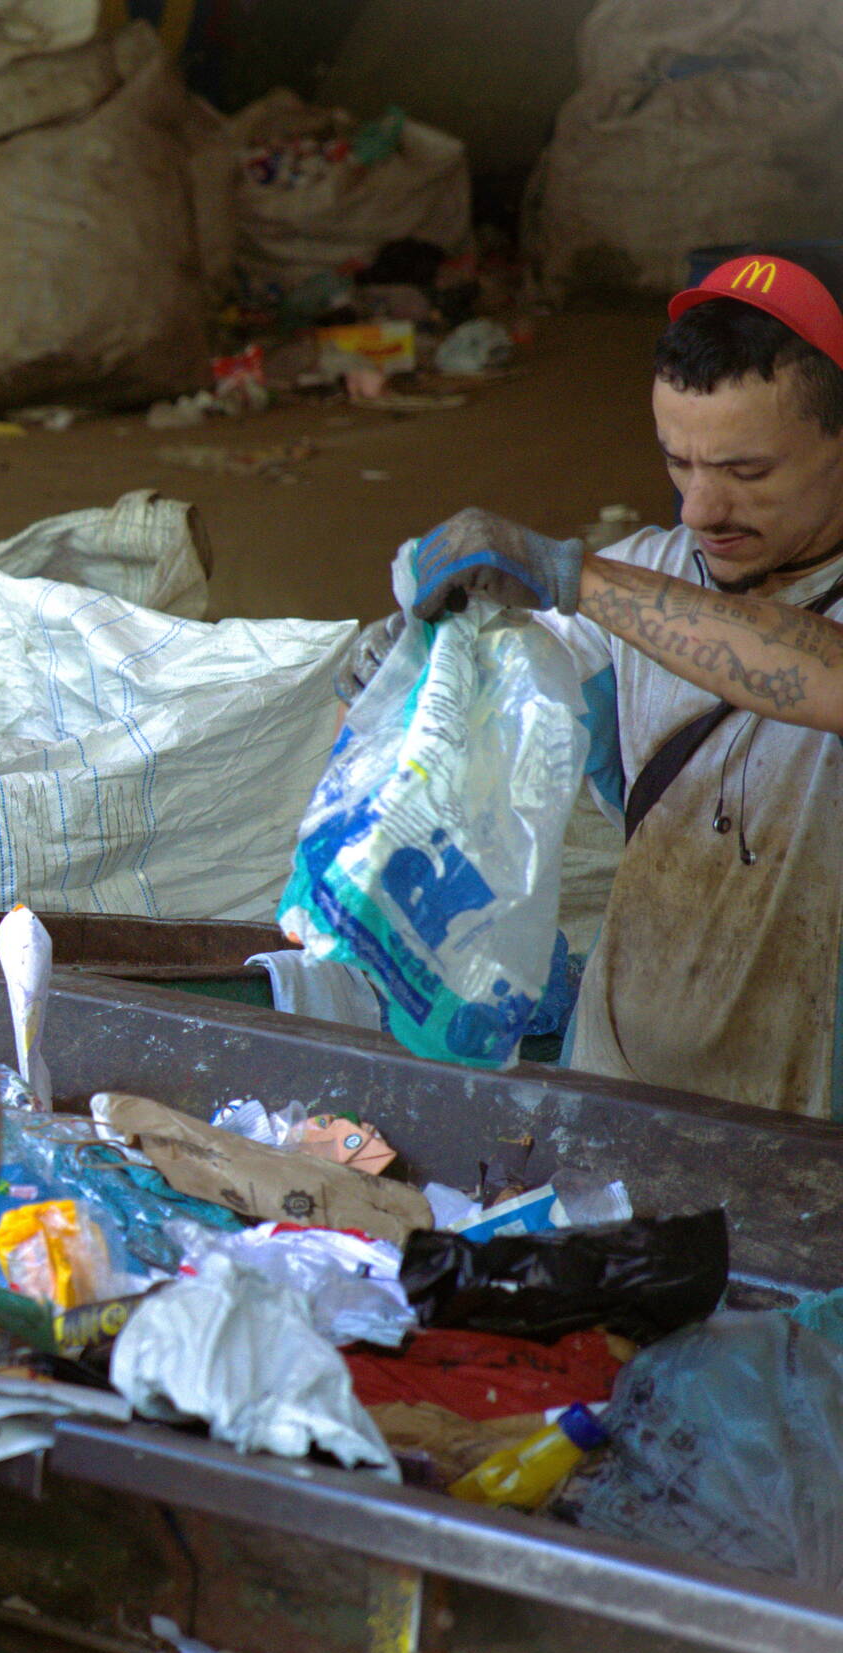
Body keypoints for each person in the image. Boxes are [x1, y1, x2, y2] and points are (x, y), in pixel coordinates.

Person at [346, 246, 843, 1117]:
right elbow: (506, 674)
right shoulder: (649, 568)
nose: (699, 511)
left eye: (746, 473)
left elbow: (817, 671)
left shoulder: (618, 583)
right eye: (678, 463)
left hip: (805, 1124)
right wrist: (415, 668)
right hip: (617, 1089)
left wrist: (572, 573)